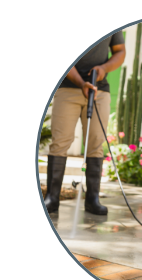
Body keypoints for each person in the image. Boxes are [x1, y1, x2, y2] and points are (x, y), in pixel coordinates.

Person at [44, 31, 126, 215]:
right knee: (60, 142)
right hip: (68, 89)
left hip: (99, 91)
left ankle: (92, 200)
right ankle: (52, 198)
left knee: (95, 144)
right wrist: (81, 83)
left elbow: (120, 51)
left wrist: (104, 69)